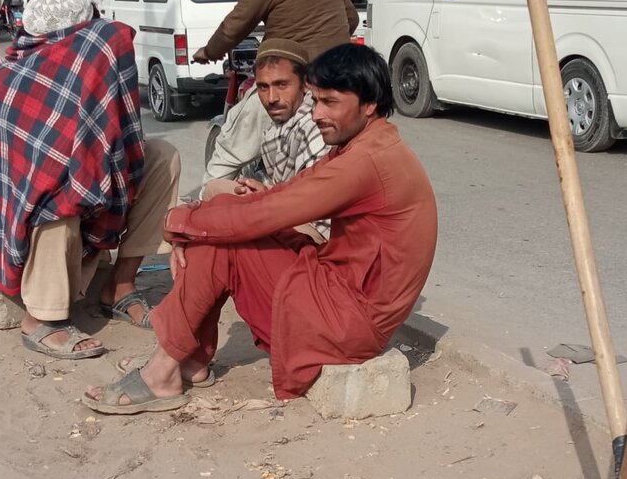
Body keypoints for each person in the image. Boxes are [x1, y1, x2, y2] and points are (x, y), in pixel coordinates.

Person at [83, 43, 438, 415]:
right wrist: (206, 217)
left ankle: (165, 369)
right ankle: (185, 358)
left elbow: (265, 215)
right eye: (316, 101)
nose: (317, 114)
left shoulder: (367, 160)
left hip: (350, 323)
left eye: (330, 103)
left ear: (369, 105)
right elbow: (293, 191)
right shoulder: (370, 143)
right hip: (343, 297)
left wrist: (179, 223)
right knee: (220, 218)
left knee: (222, 239)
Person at [0, 0, 181, 359]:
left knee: (162, 157)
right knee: (59, 194)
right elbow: (30, 180)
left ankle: (120, 286)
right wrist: (84, 173)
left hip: (78, 197)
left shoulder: (80, 70)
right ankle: (42, 319)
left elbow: (110, 139)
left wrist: (96, 170)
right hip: (24, 221)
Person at [193, 0, 359, 188]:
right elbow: (351, 18)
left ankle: (204, 206)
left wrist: (209, 52)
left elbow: (236, 24)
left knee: (230, 146)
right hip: (340, 77)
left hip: (294, 78)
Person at [201, 37, 330, 244]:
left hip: (313, 229)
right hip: (283, 206)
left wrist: (268, 198)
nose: (271, 98)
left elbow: (314, 204)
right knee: (213, 191)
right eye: (263, 87)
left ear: (305, 84)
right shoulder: (282, 123)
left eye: (282, 85)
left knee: (217, 221)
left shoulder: (313, 123)